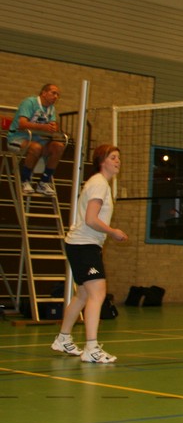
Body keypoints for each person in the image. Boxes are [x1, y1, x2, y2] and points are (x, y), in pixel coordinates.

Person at [50, 144, 128, 363]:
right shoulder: (99, 184)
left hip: (82, 245)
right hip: (84, 245)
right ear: (101, 161)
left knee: (84, 294)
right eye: (113, 157)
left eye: (118, 157)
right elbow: (91, 219)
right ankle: (91, 348)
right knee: (97, 294)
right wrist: (113, 232)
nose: (117, 161)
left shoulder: (99, 184)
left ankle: (63, 338)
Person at [7, 83, 66, 197]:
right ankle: (25, 180)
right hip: (17, 138)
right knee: (36, 148)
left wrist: (54, 127)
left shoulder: (51, 108)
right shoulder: (29, 102)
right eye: (53, 93)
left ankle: (44, 181)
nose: (56, 97)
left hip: (39, 140)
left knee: (58, 147)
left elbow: (52, 125)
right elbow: (22, 124)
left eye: (58, 95)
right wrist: (43, 127)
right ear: (44, 93)